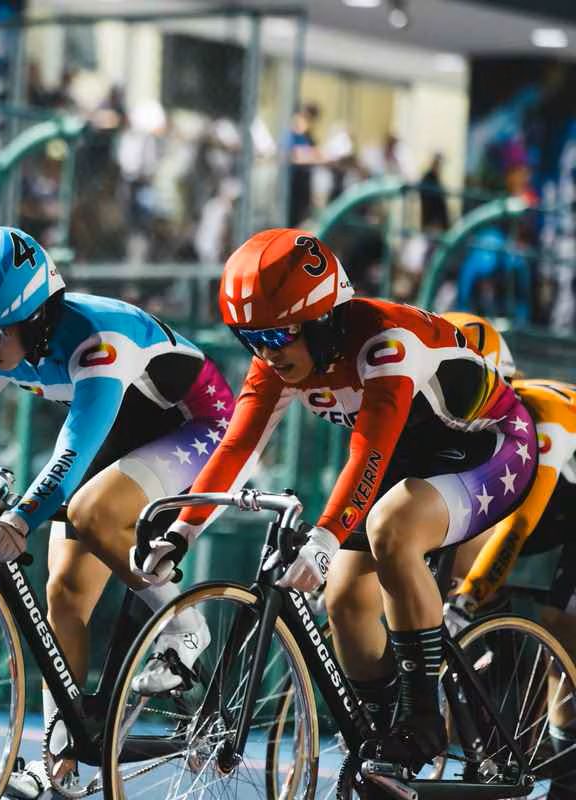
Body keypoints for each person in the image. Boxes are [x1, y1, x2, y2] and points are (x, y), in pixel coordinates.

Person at [0, 226, 234, 798]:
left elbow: (75, 450)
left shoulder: (98, 339)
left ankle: (184, 622)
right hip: (116, 442)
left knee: (95, 511)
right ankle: (60, 765)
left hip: (198, 427)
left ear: (37, 313)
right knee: (64, 596)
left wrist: (23, 516)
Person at [133, 228, 537, 770]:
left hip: (489, 445)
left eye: (276, 337)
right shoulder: (275, 356)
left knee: (394, 528)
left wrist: (324, 539)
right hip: (405, 457)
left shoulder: (385, 342)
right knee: (346, 597)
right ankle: (377, 739)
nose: (265, 353)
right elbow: (237, 446)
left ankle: (421, 721)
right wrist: (181, 531)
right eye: (248, 339)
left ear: (322, 320)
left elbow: (368, 451)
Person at [441, 312, 576, 774]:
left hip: (554, 499)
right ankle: (496, 676)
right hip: (558, 503)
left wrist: (467, 601)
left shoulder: (542, 418)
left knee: (564, 626)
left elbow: (518, 526)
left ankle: (562, 768)